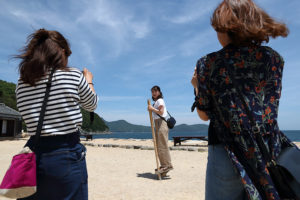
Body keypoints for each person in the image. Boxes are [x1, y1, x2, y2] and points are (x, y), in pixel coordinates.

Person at [191, 0, 299, 199]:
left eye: (218, 29)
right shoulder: (274, 58)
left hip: (225, 149)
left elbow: (204, 115)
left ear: (228, 28)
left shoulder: (208, 63)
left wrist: (197, 86)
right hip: (267, 146)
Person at [15, 29, 98, 200]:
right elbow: (92, 104)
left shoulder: (22, 82)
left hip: (32, 152)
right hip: (65, 152)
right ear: (60, 51)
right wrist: (89, 80)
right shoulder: (73, 75)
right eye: (67, 53)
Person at [148, 86, 173, 175]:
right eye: (152, 92)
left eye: (155, 91)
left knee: (162, 145)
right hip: (158, 124)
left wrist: (152, 109)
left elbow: (161, 112)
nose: (153, 93)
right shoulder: (156, 102)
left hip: (161, 124)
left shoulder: (160, 101)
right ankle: (164, 166)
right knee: (160, 146)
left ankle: (167, 165)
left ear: (159, 92)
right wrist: (152, 108)